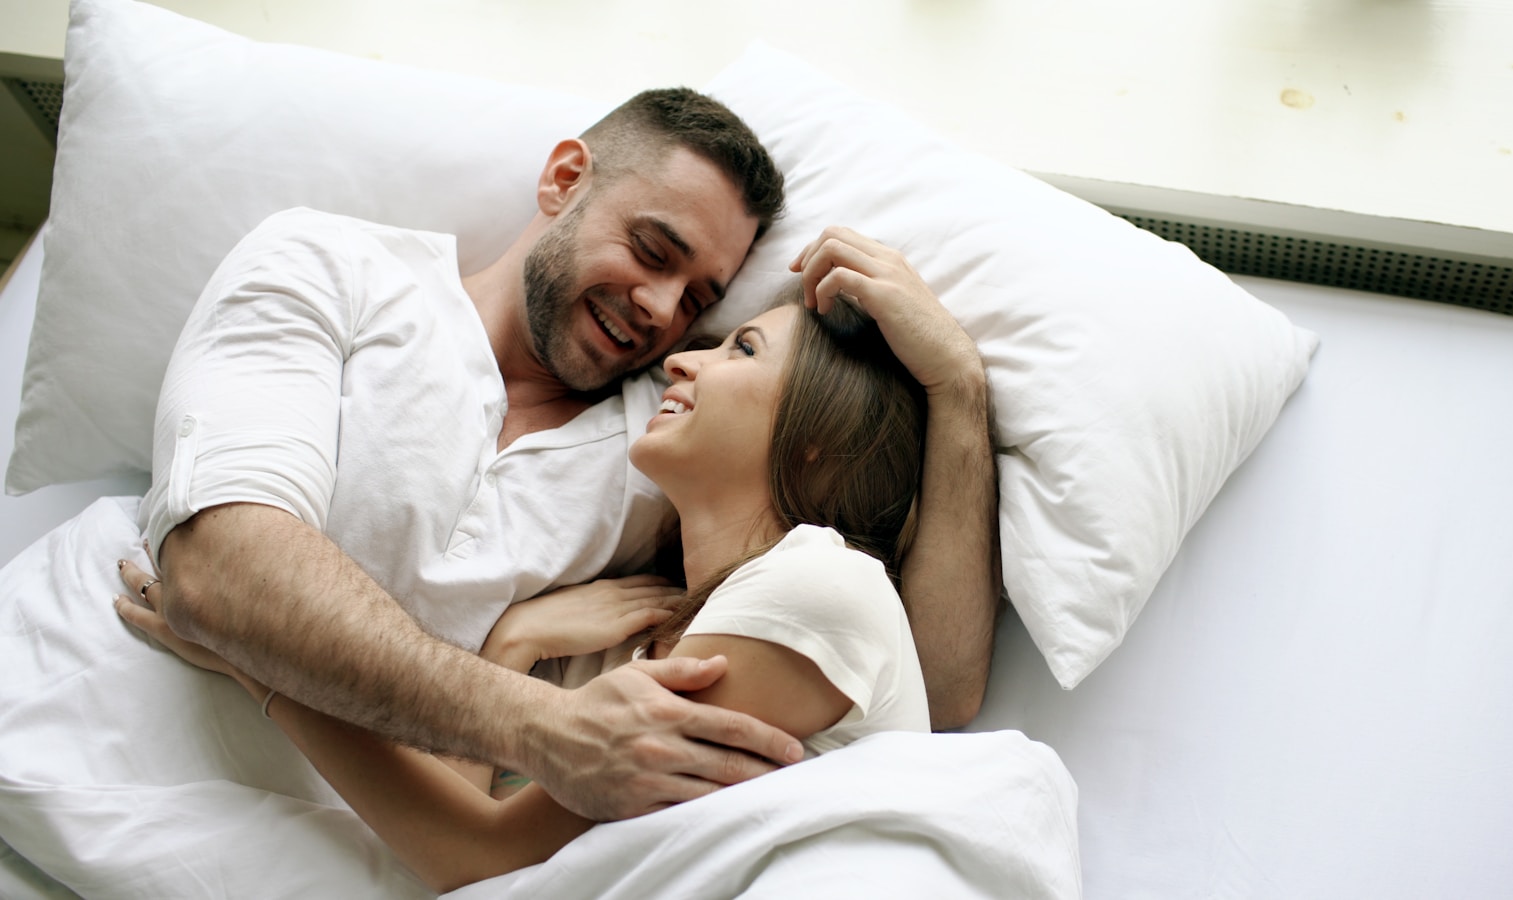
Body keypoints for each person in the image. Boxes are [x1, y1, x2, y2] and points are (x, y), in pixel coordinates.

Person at [126, 86, 999, 824]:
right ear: (565, 179)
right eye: (651, 251)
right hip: (111, 753)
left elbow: (927, 685)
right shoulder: (334, 269)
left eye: (700, 301)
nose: (663, 310)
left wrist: (958, 387)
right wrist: (542, 726)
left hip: (363, 852)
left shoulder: (665, 447)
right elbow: (218, 572)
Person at [116, 279, 938, 891]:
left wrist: (262, 662)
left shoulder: (817, 585)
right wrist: (515, 643)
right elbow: (463, 826)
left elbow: (479, 858)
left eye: (743, 350)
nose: (682, 361)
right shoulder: (634, 644)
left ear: (820, 439)